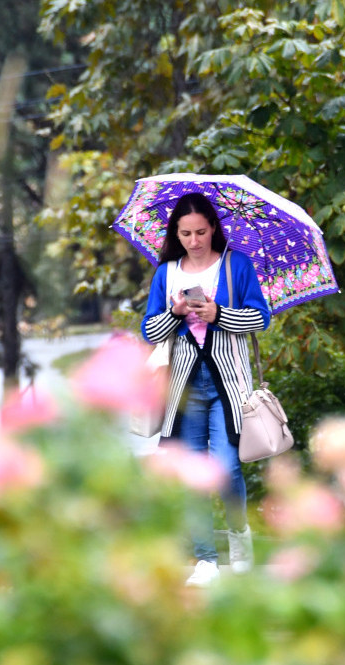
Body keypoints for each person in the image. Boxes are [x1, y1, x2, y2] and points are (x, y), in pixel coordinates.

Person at [140, 192, 271, 587]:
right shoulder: (167, 274)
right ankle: (206, 560)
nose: (194, 241)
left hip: (229, 384)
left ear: (213, 227)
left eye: (200, 231)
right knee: (193, 473)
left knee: (229, 467)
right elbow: (149, 330)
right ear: (175, 234)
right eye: (185, 234)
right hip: (184, 386)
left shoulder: (236, 266)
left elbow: (260, 318)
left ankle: (240, 542)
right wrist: (177, 313)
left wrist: (218, 314)